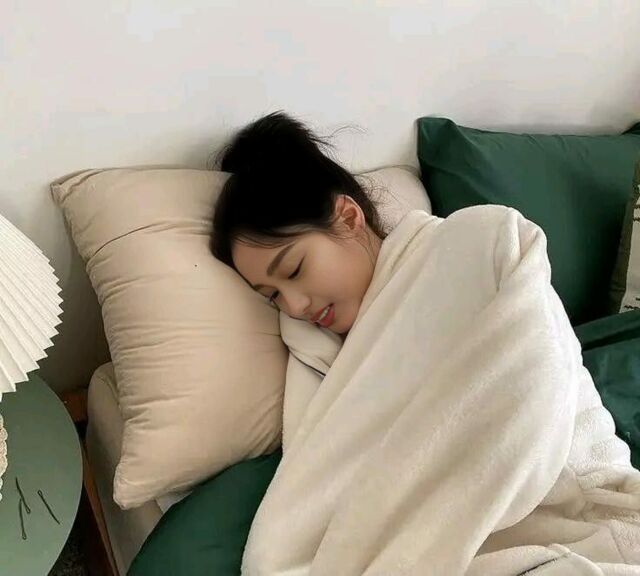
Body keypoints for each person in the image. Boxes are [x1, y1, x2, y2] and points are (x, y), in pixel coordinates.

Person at [211, 111, 386, 338]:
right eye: (273, 295)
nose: (294, 308)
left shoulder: (430, 262)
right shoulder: (309, 344)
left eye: (294, 271)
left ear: (348, 218)